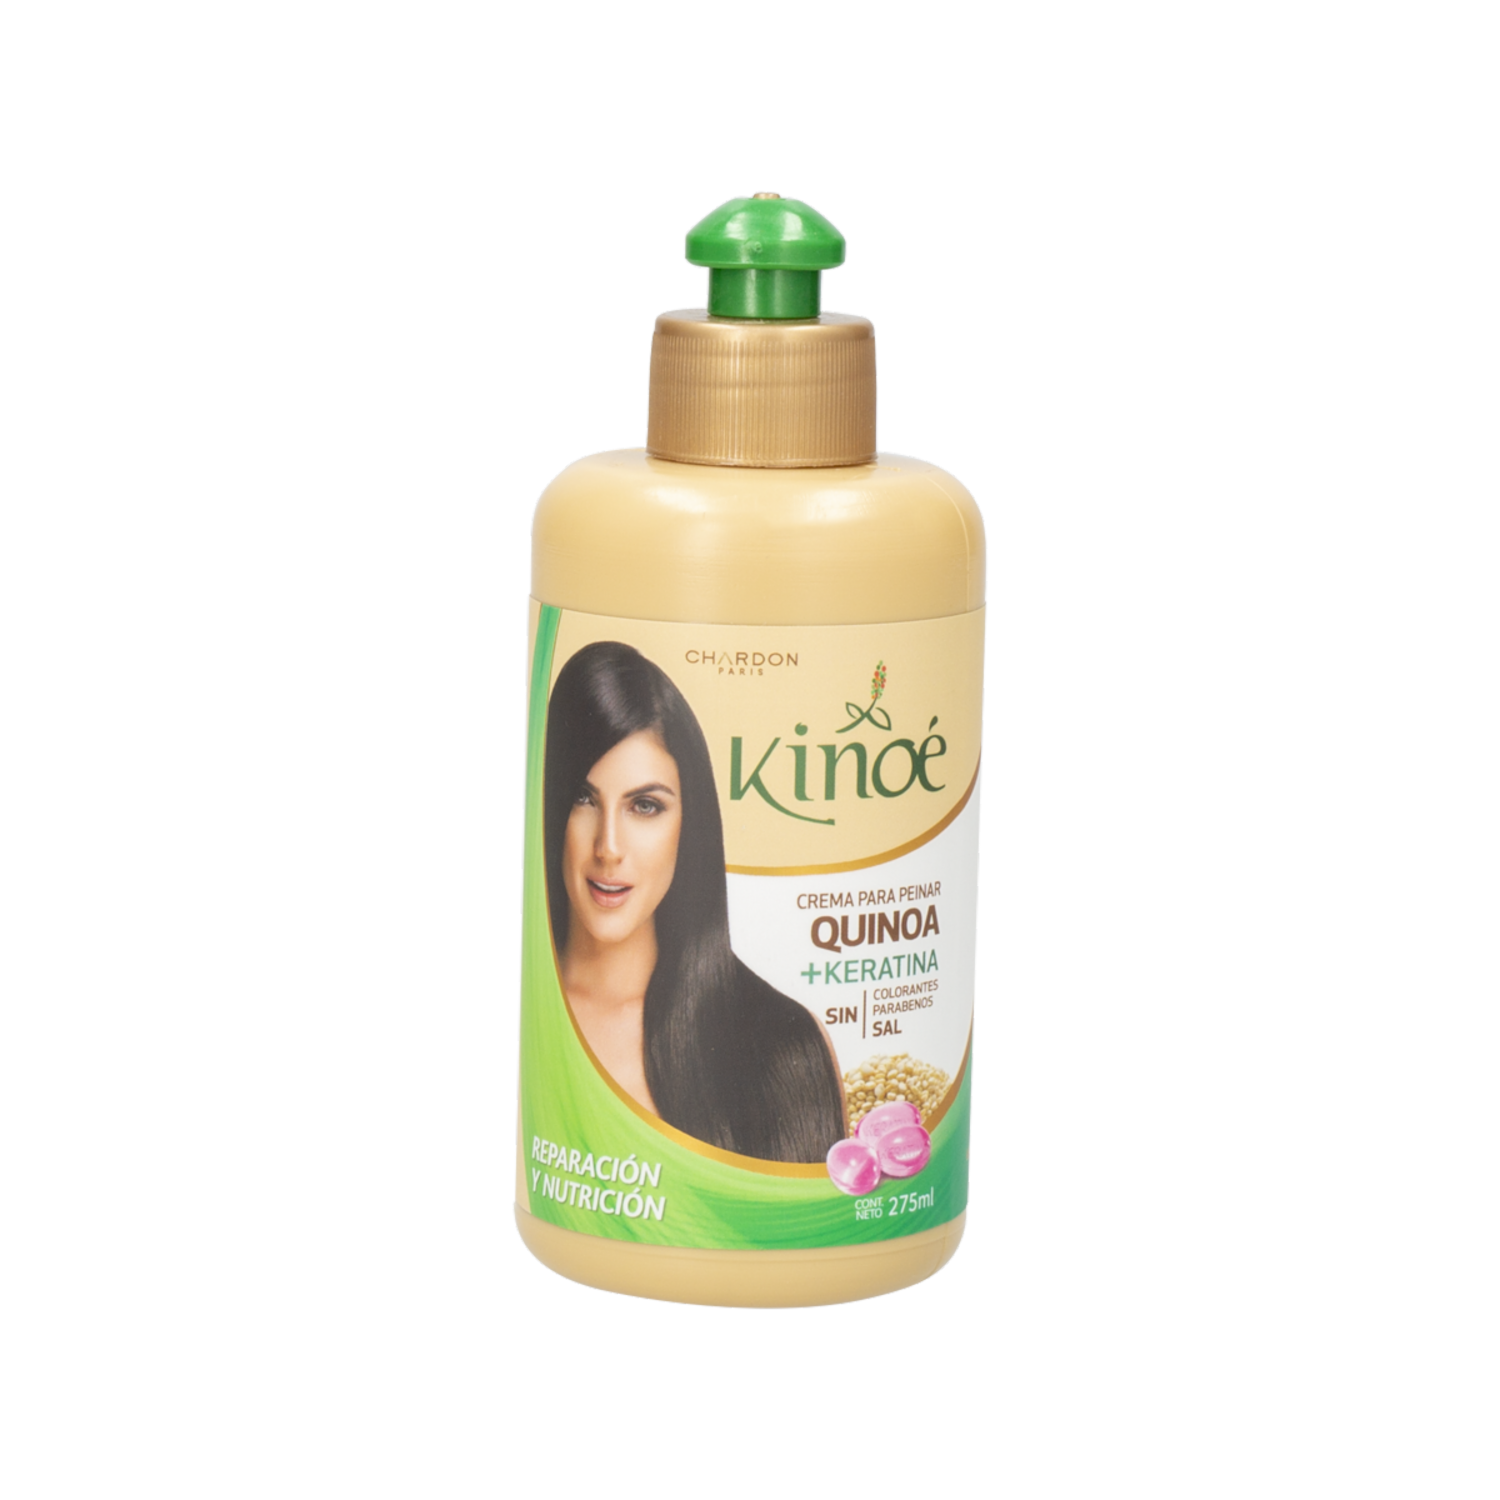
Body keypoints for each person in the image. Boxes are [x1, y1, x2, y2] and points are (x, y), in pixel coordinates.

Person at [545, 641, 845, 1163]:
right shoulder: (536, 1016)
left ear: (690, 823)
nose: (608, 847)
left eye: (644, 806)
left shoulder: (784, 1046)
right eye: (583, 798)